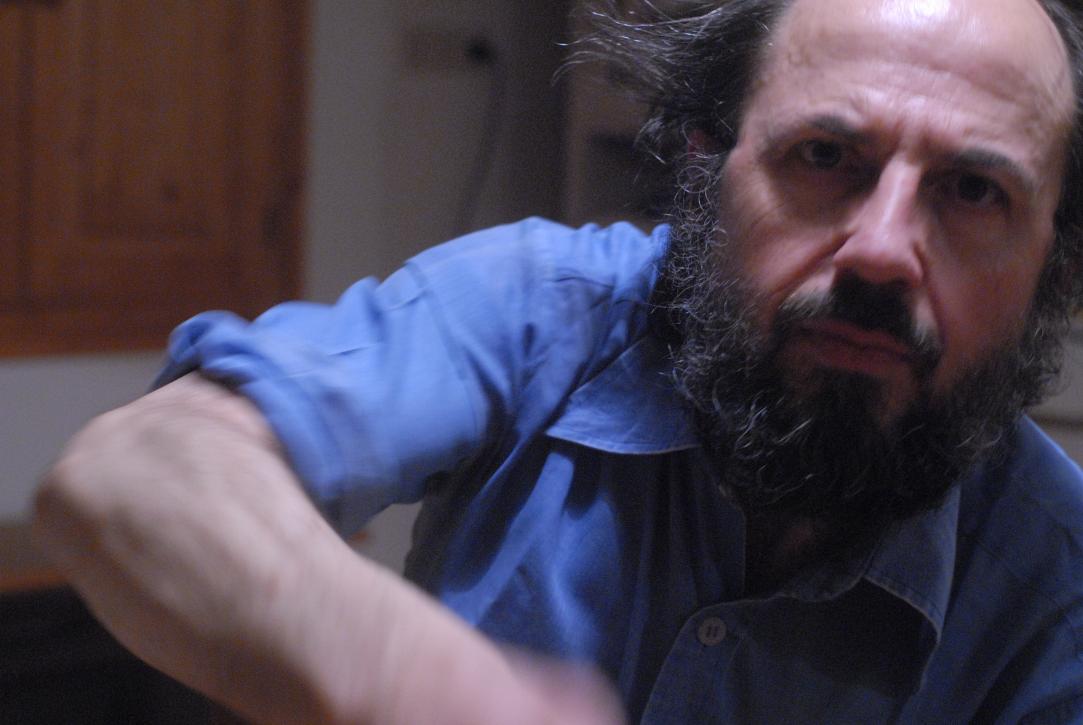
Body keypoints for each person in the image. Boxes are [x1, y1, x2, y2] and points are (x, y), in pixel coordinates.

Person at [33, 0, 1083, 721]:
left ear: (1052, 263)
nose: (884, 250)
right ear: (706, 167)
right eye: (825, 157)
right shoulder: (543, 311)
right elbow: (138, 471)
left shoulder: (1054, 582)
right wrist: (411, 675)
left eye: (973, 191)